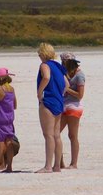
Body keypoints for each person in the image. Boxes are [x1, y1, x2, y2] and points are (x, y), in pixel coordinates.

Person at [34, 43, 67, 173]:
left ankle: (48, 166)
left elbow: (46, 77)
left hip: (48, 101)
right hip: (59, 101)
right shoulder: (58, 66)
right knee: (56, 135)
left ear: (43, 54)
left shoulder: (45, 65)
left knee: (48, 135)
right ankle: (57, 166)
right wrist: (60, 93)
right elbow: (67, 84)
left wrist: (39, 92)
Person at [57, 52, 86, 169]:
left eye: (64, 62)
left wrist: (67, 89)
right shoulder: (65, 72)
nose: (62, 64)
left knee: (72, 135)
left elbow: (80, 95)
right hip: (63, 105)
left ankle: (74, 163)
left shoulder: (80, 75)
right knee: (55, 133)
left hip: (74, 105)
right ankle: (60, 163)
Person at [0, 68, 18, 171]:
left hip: (0, 119)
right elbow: (15, 105)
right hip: (10, 119)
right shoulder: (12, 89)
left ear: (0, 78)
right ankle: (9, 167)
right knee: (9, 142)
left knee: (0, 144)